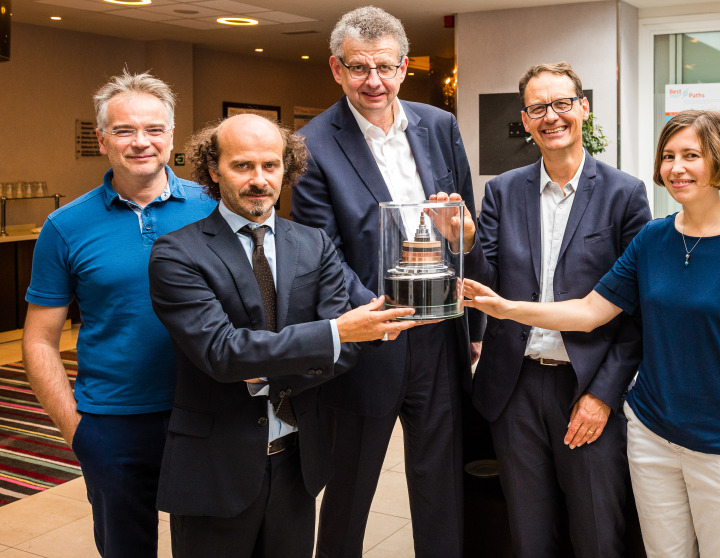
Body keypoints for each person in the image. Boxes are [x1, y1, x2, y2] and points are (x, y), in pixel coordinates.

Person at [462, 110, 720, 558]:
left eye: (691, 155)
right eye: (669, 156)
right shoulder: (653, 239)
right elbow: (590, 311)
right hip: (653, 437)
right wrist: (505, 308)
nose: (676, 168)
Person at [147, 114, 421, 557]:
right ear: (214, 171)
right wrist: (331, 333)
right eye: (243, 166)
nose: (259, 180)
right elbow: (221, 353)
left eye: (271, 165)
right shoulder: (177, 253)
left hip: (298, 461)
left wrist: (261, 368)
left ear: (287, 169)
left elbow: (345, 352)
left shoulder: (314, 244)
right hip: (216, 467)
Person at [431, 61, 651, 557]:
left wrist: (603, 395)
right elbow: (488, 286)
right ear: (526, 120)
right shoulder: (504, 191)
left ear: (583, 108)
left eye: (561, 103)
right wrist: (465, 242)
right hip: (515, 386)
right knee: (529, 534)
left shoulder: (625, 194)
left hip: (586, 386)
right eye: (537, 108)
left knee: (597, 533)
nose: (551, 116)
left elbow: (638, 311)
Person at [291, 6, 480, 556]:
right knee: (350, 491)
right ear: (336, 69)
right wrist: (376, 317)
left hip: (440, 337)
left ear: (403, 67)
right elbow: (320, 253)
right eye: (358, 68)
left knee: (441, 485)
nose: (372, 80)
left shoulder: (439, 127)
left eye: (383, 67)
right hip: (368, 339)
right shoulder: (312, 144)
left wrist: (471, 325)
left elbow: (464, 225)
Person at [21, 71, 216, 557]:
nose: (141, 142)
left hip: (208, 411)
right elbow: (39, 339)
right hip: (112, 421)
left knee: (211, 545)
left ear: (172, 137)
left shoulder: (213, 208)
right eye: (125, 131)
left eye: (154, 129)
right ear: (102, 139)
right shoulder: (65, 226)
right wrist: (77, 430)